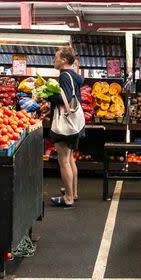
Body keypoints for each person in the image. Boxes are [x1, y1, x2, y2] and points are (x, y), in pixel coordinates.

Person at [48, 46, 85, 208]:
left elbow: (67, 97)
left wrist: (48, 95)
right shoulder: (74, 76)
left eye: (56, 57)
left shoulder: (64, 76)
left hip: (65, 124)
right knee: (70, 159)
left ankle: (68, 198)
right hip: (75, 124)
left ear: (63, 60)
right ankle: (73, 193)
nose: (54, 60)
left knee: (64, 160)